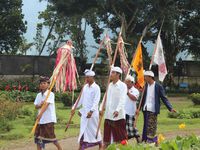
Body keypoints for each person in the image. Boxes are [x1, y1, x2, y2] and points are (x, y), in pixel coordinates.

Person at [140, 70, 176, 144]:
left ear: (150, 77)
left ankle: (151, 141)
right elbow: (142, 98)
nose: (144, 78)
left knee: (151, 126)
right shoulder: (145, 86)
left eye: (145, 77)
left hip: (153, 109)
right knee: (146, 126)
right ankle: (148, 140)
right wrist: (138, 108)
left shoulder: (158, 86)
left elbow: (164, 97)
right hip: (145, 109)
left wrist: (170, 108)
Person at [71, 69, 103, 150]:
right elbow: (80, 99)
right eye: (86, 78)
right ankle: (81, 147)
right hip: (84, 113)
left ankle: (100, 143)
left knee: (94, 130)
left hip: (92, 114)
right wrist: (74, 107)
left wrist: (91, 111)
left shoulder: (96, 88)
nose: (86, 79)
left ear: (92, 77)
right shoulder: (85, 87)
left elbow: (96, 101)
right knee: (83, 129)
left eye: (88, 77)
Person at [100, 66, 128, 148]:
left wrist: (117, 110)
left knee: (121, 139)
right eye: (111, 72)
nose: (110, 74)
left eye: (113, 73)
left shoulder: (123, 86)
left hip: (118, 116)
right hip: (108, 116)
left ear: (118, 74)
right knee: (106, 140)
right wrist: (101, 108)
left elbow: (123, 99)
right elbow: (105, 97)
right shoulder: (109, 85)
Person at [34, 76, 62, 150]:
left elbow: (46, 105)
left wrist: (40, 114)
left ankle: (60, 148)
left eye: (44, 83)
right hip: (40, 120)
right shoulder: (38, 95)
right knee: (38, 138)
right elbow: (36, 106)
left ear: (48, 85)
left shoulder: (50, 94)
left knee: (51, 138)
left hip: (48, 119)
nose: (42, 85)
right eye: (41, 83)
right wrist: (39, 105)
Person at [124, 75, 140, 143]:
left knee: (132, 127)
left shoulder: (135, 90)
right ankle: (125, 142)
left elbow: (135, 98)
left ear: (132, 83)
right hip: (123, 112)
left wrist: (128, 93)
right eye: (126, 82)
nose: (126, 83)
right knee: (124, 128)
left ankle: (139, 141)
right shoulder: (123, 89)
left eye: (128, 82)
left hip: (131, 112)